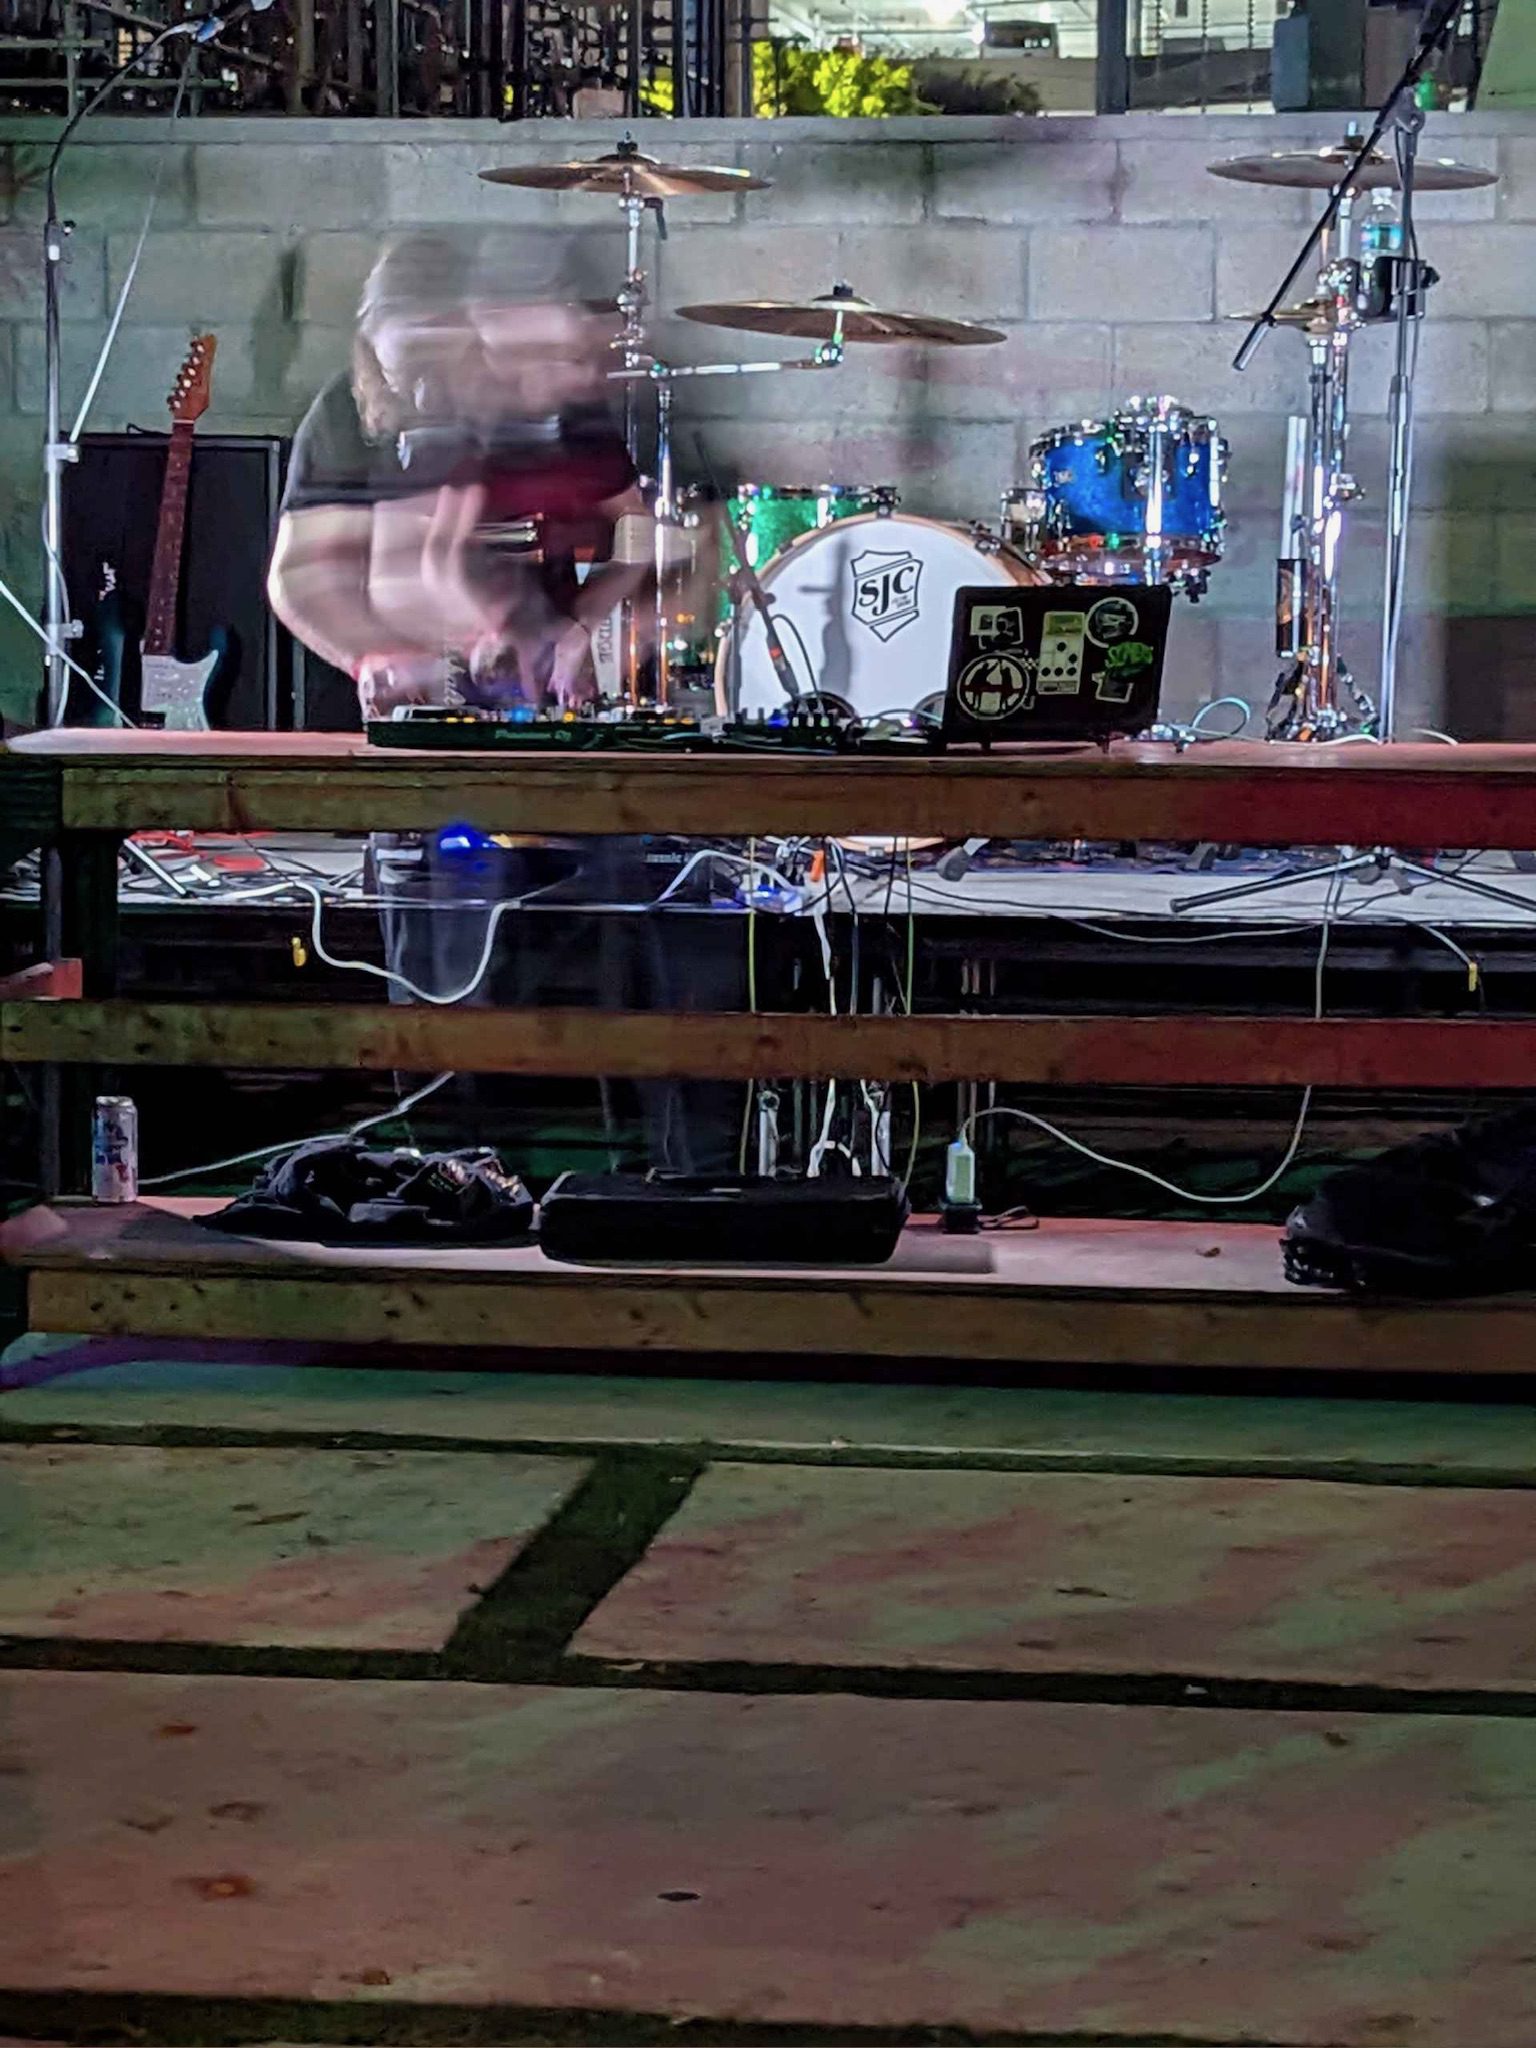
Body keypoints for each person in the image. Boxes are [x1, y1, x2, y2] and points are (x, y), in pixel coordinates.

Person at [268, 230, 742, 1173]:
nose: (444, 382)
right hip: (437, 750)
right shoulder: (347, 415)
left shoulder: (568, 412)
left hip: (571, 748)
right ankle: (455, 1188)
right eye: (418, 362)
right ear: (376, 343)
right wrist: (379, 657)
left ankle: (657, 1184)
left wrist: (595, 628)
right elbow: (302, 578)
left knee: (640, 969)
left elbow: (667, 552)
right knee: (448, 1001)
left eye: (458, 355)